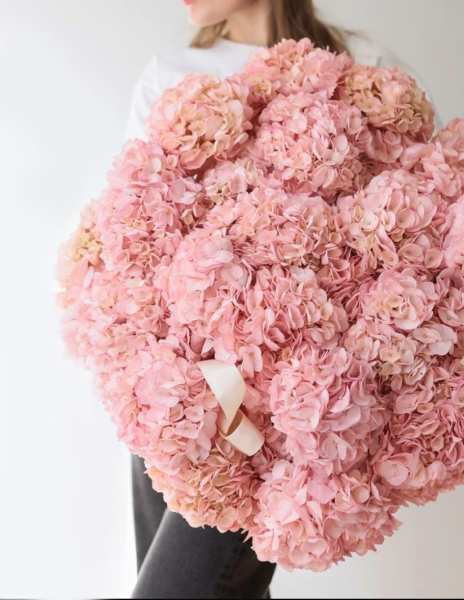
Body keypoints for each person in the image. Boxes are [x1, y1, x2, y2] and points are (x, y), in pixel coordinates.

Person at [127, 1, 438, 598]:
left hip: (281, 424)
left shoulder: (365, 68)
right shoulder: (170, 72)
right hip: (176, 396)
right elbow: (132, 235)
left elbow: (420, 236)